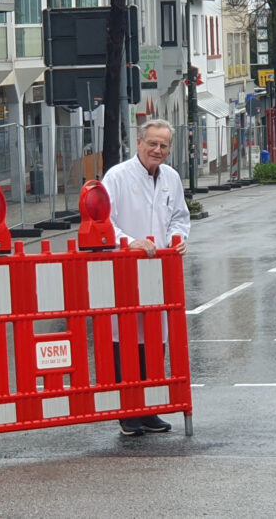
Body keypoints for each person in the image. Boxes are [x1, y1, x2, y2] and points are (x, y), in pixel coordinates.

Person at [102, 118, 190, 437]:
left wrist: (178, 239)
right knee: (125, 338)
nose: (157, 150)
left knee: (155, 339)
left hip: (157, 270)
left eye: (163, 145)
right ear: (139, 142)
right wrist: (129, 242)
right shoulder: (118, 177)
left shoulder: (170, 178)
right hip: (126, 268)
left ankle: (150, 408)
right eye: (152, 143)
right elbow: (104, 221)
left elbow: (179, 216)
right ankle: (129, 413)